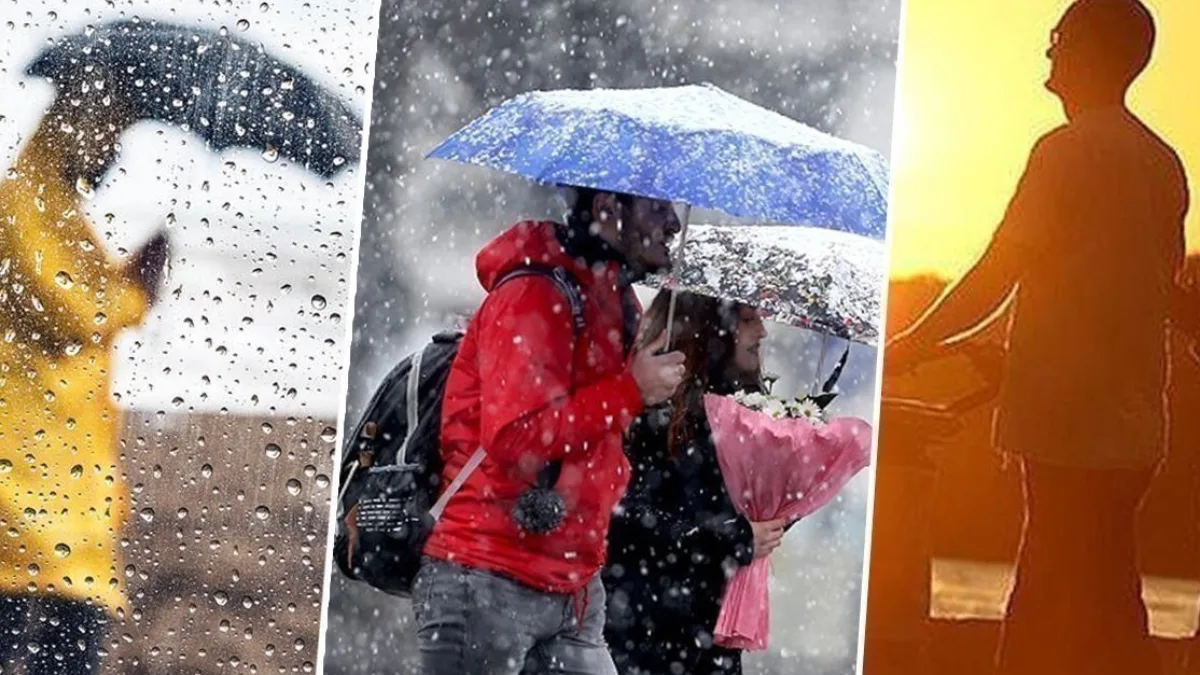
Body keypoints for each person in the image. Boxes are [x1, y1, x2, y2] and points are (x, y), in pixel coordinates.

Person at [887, 1, 1189, 673]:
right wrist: (1006, 350)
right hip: (1134, 428)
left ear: (1087, 50)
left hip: (1068, 427)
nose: (1049, 53)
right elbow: (1135, 291)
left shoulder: (1064, 152)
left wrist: (909, 343)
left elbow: (1000, 269)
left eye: (1058, 39)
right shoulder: (1162, 163)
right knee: (1107, 593)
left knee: (1048, 603)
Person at [413, 188, 688, 674]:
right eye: (657, 208)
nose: (673, 224)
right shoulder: (533, 294)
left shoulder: (616, 301)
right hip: (486, 575)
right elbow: (514, 438)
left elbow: (598, 430)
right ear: (607, 207)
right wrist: (630, 391)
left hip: (575, 587)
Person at [0, 97, 169, 674]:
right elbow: (69, 310)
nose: (113, 152)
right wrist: (137, 290)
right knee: (63, 630)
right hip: (26, 475)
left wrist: (130, 278)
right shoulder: (24, 202)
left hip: (61, 468)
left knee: (69, 629)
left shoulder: (53, 207)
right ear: (77, 125)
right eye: (107, 133)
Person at [603, 290, 788, 675]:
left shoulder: (749, 411)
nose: (764, 332)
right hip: (644, 629)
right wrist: (726, 538)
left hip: (713, 632)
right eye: (750, 319)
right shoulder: (651, 405)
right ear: (715, 327)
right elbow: (621, 514)